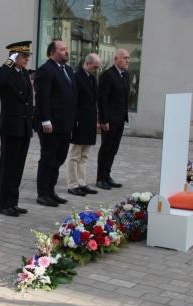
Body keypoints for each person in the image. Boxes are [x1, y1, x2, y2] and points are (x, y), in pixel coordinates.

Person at [34, 40, 78, 207]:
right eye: (62, 49)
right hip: (51, 125)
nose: (66, 51)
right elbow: (42, 97)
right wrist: (46, 120)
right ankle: (42, 193)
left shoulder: (67, 70)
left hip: (65, 124)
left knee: (58, 159)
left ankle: (51, 191)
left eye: (66, 48)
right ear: (52, 53)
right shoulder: (46, 70)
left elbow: (72, 96)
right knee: (48, 159)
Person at [0, 41, 34, 217]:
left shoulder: (24, 73)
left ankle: (13, 202)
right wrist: (9, 62)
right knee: (7, 167)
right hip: (11, 127)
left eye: (27, 56)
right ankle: (3, 203)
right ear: (14, 56)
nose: (26, 59)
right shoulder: (5, 72)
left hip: (24, 126)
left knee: (18, 167)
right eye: (23, 56)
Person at [66, 53, 102, 197]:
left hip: (89, 121)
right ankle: (72, 184)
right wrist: (75, 119)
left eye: (98, 68)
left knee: (84, 155)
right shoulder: (77, 78)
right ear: (87, 64)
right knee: (74, 155)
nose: (97, 70)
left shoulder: (92, 79)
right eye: (95, 67)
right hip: (79, 121)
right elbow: (73, 100)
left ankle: (81, 182)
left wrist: (97, 119)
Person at [96, 49, 130, 190]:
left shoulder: (125, 75)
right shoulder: (108, 75)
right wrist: (104, 120)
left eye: (128, 58)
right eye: (124, 58)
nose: (127, 60)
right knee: (106, 148)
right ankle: (101, 178)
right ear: (115, 59)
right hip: (109, 119)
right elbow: (102, 99)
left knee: (113, 149)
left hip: (120, 119)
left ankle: (107, 175)